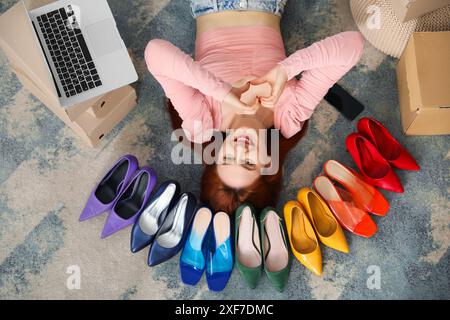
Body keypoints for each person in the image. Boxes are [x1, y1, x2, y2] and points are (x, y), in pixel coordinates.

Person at [145, 0, 365, 213]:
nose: (241, 149)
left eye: (228, 158)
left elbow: (155, 52)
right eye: (248, 163)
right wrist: (285, 70)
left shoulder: (203, 123)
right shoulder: (289, 118)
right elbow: (352, 45)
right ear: (268, 163)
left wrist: (224, 93)